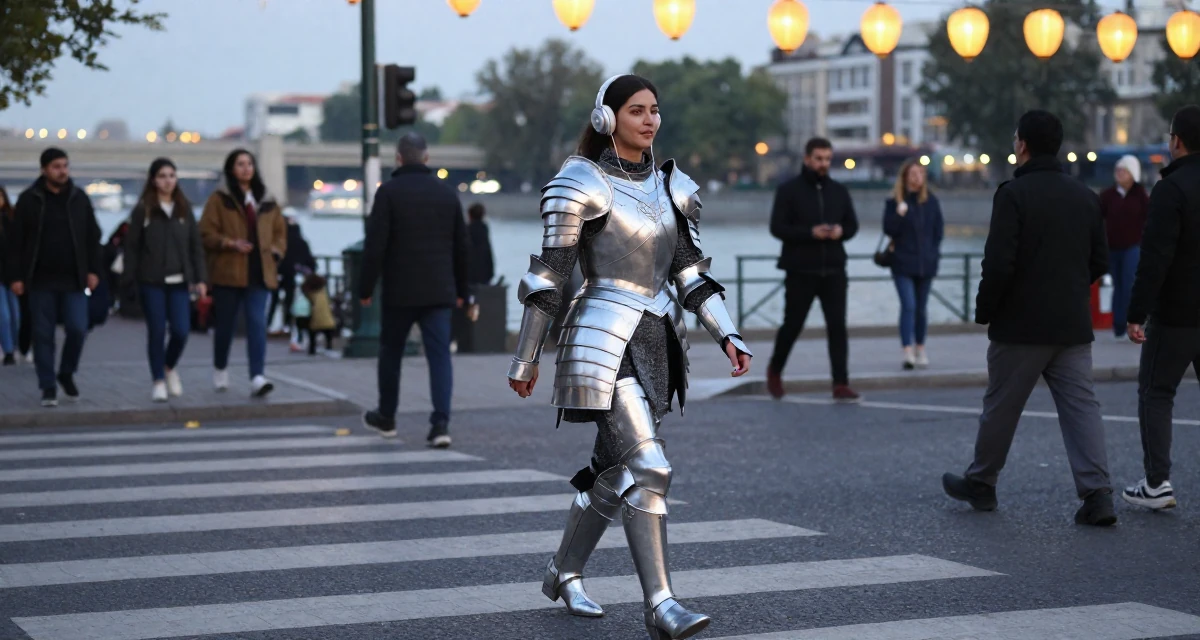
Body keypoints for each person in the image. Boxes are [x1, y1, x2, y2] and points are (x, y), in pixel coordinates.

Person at [506, 74, 752, 640]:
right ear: (606, 118)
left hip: (659, 341)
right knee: (651, 468)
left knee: (615, 474)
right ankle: (661, 606)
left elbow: (689, 273)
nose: (649, 119)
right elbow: (549, 278)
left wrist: (729, 335)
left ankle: (563, 571)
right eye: (636, 110)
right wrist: (526, 360)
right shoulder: (580, 182)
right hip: (599, 340)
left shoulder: (674, 186)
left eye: (654, 110)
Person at [942, 110, 1115, 527]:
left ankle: (982, 483)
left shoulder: (1013, 195)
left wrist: (986, 310)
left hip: (1020, 325)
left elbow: (998, 264)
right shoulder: (1085, 196)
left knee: (1001, 407)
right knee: (1081, 408)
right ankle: (1098, 495)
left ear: (1022, 145)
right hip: (1072, 324)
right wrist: (1071, 290)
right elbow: (1099, 261)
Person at [359, 133, 471, 448]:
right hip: (439, 291)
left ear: (398, 158)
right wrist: (463, 290)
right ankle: (440, 425)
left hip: (399, 291)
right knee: (439, 358)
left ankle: (387, 417)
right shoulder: (447, 195)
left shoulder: (388, 194)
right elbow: (462, 248)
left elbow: (374, 247)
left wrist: (365, 288)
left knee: (390, 352)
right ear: (426, 158)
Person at [1123, 104, 1200, 511]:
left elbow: (1154, 258)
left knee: (1156, 392)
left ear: (1176, 141)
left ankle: (1156, 483)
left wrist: (1136, 313)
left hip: (1178, 313)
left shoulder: (1170, 190)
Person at [6, 148, 103, 407]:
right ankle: (48, 385)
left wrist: (94, 270)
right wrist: (15, 276)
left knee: (77, 328)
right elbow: (16, 242)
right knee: (42, 334)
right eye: (56, 166)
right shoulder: (29, 199)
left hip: (74, 279)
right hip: (39, 280)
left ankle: (67, 372)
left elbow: (93, 237)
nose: (62, 171)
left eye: (65, 166)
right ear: (44, 170)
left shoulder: (79, 198)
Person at [766, 137, 860, 402]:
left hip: (834, 270)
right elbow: (777, 228)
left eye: (827, 159)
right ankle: (775, 370)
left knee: (837, 327)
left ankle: (840, 383)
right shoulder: (788, 191)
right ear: (807, 159)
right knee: (792, 325)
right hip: (800, 271)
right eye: (818, 159)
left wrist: (840, 232)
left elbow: (852, 226)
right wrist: (811, 233)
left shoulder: (839, 191)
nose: (823, 164)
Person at [199, 149, 287, 397]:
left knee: (257, 324)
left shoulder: (267, 200)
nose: (246, 168)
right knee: (225, 326)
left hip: (260, 273)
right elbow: (205, 232)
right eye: (240, 164)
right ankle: (220, 368)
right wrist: (229, 243)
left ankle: (257, 376)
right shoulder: (220, 199)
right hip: (229, 272)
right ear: (231, 169)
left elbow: (281, 232)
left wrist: (276, 253)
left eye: (249, 164)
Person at [120, 158, 208, 402]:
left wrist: (200, 278)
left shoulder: (184, 209)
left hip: (180, 282)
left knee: (181, 330)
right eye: (162, 176)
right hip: (152, 281)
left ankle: (169, 367)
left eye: (171, 175)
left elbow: (195, 246)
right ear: (153, 180)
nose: (167, 181)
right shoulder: (144, 210)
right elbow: (132, 248)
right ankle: (157, 379)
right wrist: (129, 279)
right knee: (157, 331)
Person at [883, 158, 944, 369]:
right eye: (913, 174)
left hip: (926, 264)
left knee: (921, 309)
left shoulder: (932, 202)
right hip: (902, 264)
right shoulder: (894, 202)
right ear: (905, 178)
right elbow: (888, 230)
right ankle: (907, 350)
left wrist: (934, 255)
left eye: (921, 173)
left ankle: (921, 348)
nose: (918, 177)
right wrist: (899, 214)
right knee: (908, 305)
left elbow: (938, 232)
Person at [1101, 155, 1149, 340]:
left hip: (1133, 246)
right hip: (1113, 248)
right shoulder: (1108, 195)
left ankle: (1130, 321)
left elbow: (1149, 219)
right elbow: (1098, 217)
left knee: (1128, 283)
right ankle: (1118, 324)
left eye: (1124, 170)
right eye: (1118, 170)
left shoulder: (1140, 196)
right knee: (1117, 284)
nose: (1120, 174)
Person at [270, 216, 315, 335]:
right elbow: (310, 262)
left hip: (277, 274)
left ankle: (269, 323)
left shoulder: (280, 241)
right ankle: (287, 325)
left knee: (273, 300)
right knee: (288, 301)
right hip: (291, 275)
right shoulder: (300, 242)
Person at [0, 186, 19, 365]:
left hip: (12, 276)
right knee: (3, 315)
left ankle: (14, 346)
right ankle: (8, 351)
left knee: (15, 315)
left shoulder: (11, 220)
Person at [302, 273, 336, 355]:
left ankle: (312, 349)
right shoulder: (323, 292)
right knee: (328, 334)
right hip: (327, 319)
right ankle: (329, 346)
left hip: (315, 319)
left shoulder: (310, 294)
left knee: (312, 333)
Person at [466, 203, 495, 286]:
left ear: (470, 215)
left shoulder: (467, 231)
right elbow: (488, 254)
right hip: (485, 274)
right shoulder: (484, 231)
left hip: (469, 275)